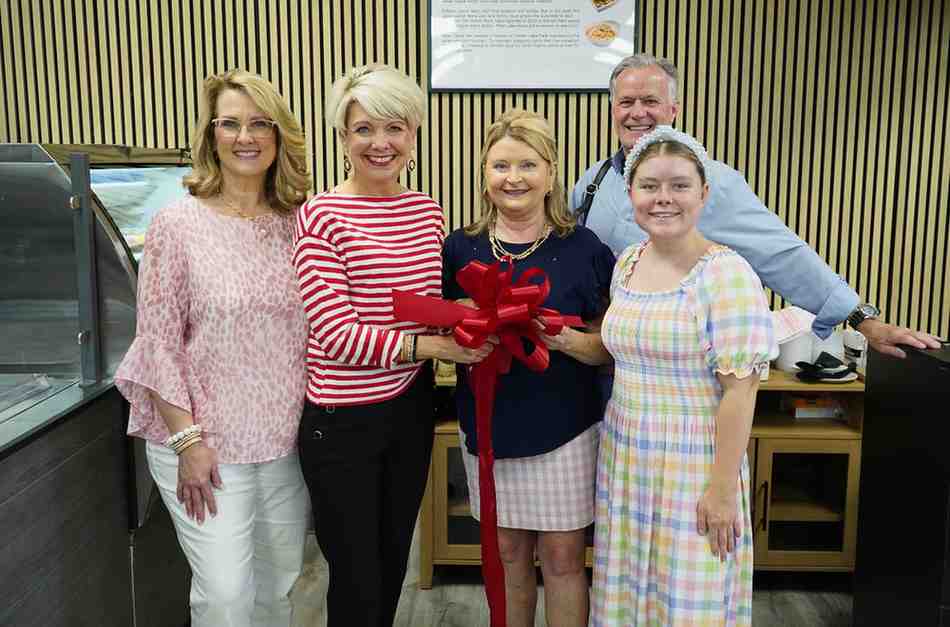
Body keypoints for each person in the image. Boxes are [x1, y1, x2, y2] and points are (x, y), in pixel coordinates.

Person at [292, 63, 493, 627]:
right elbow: (334, 334)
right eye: (364, 130)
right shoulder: (321, 216)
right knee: (355, 576)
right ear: (342, 136)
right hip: (342, 420)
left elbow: (426, 310)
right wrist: (436, 349)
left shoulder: (426, 210)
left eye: (395, 128)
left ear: (413, 133)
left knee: (391, 563)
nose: (380, 144)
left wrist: (470, 319)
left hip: (408, 408)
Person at [571, 53, 941, 358]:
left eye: (650, 101)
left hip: (684, 369)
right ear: (613, 110)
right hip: (601, 368)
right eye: (626, 102)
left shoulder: (713, 183)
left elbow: (781, 253)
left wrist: (862, 319)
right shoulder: (592, 182)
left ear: (673, 109)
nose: (638, 113)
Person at [115, 69, 312, 627]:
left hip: (286, 443)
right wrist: (186, 442)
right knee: (226, 596)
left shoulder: (301, 223)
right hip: (204, 443)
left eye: (259, 124)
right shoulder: (177, 225)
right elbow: (156, 343)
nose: (245, 137)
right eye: (230, 124)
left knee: (279, 589)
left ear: (279, 138)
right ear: (212, 135)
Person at [591, 126, 778, 625]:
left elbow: (741, 393)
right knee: (627, 593)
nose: (663, 199)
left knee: (687, 599)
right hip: (627, 454)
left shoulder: (726, 274)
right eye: (649, 186)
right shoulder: (627, 262)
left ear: (704, 194)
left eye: (679, 185)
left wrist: (720, 491)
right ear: (630, 193)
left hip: (694, 462)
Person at [442, 109, 615, 627]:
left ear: (551, 171)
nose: (513, 178)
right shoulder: (461, 246)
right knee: (509, 557)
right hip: (491, 427)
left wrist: (566, 341)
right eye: (500, 166)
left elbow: (610, 345)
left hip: (564, 429)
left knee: (563, 560)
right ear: (484, 173)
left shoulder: (583, 248)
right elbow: (449, 329)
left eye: (527, 164)